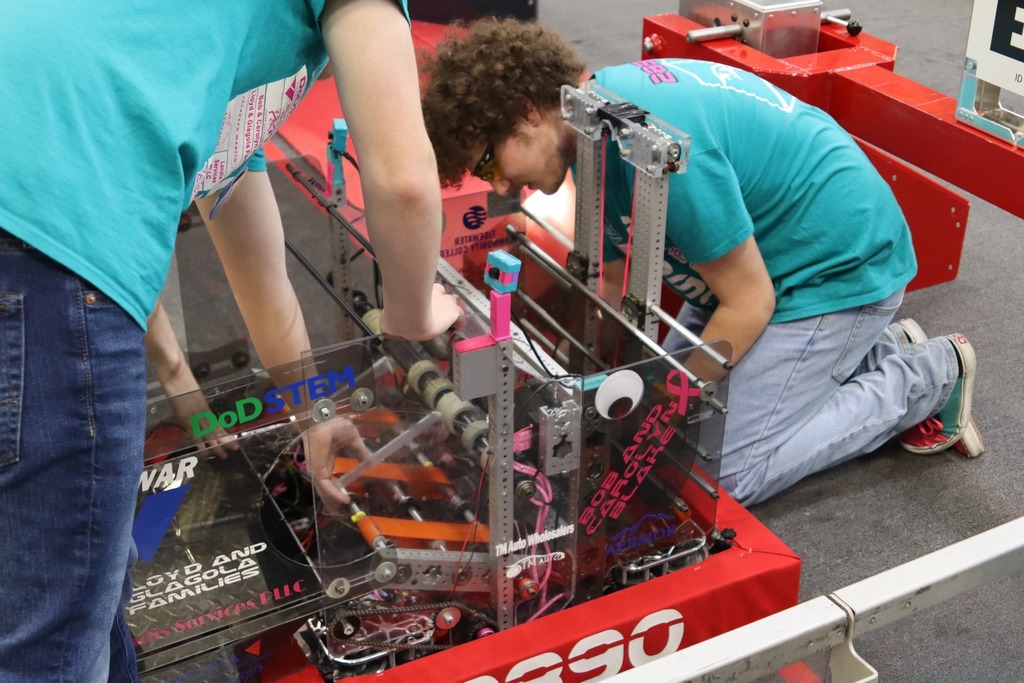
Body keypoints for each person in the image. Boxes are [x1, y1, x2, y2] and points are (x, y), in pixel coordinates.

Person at [0, 2, 460, 681]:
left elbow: (258, 269)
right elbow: (406, 181)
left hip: (40, 226)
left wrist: (313, 413)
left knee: (85, 588)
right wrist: (412, 317)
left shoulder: (196, 45)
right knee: (54, 644)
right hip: (39, 240)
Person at [419, 18, 982, 508]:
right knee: (673, 428)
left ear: (527, 110)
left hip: (834, 272)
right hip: (755, 269)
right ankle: (870, 352)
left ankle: (930, 376)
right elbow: (610, 282)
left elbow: (751, 302)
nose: (497, 185)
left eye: (489, 160)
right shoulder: (592, 131)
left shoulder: (658, 146)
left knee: (719, 472)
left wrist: (664, 400)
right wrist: (568, 389)